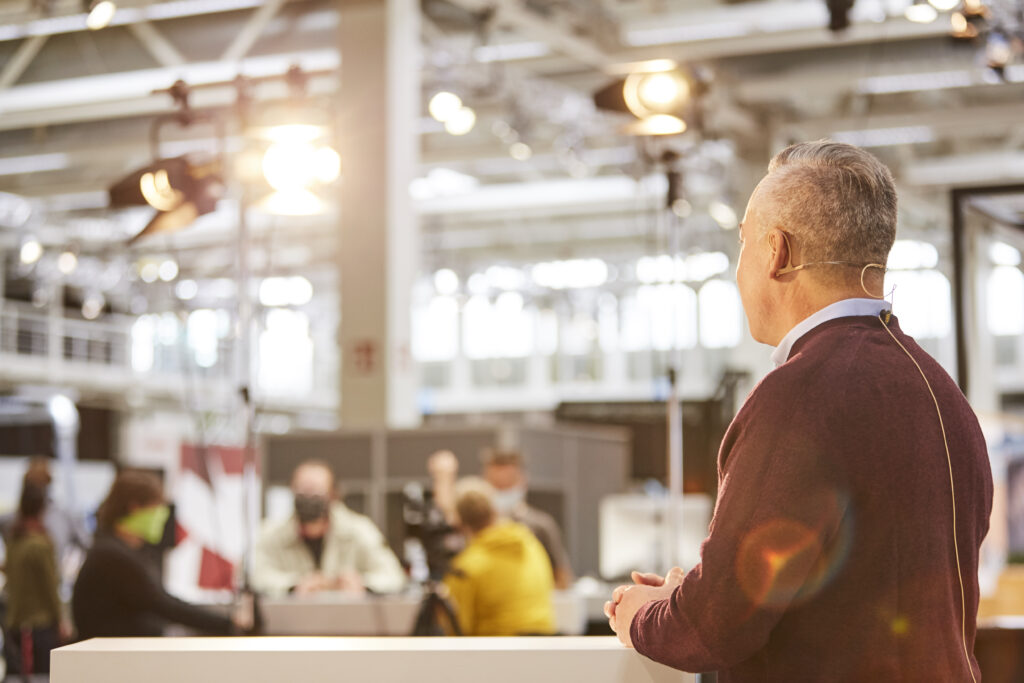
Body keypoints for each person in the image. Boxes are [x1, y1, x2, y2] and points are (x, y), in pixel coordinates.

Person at [605, 140, 993, 681]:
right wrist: (688, 595)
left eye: (742, 244)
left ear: (776, 252)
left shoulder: (800, 395)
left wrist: (642, 614)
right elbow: (856, 583)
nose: (738, 269)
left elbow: (715, 627)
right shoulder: (938, 390)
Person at [72, 469, 249, 638]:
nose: (162, 516)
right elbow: (162, 604)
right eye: (157, 508)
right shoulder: (112, 556)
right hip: (107, 659)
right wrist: (228, 625)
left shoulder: (128, 551)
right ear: (135, 507)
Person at [251, 460, 406, 596]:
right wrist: (294, 585)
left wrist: (362, 584)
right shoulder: (271, 534)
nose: (308, 496)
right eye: (302, 489)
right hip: (291, 625)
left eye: (315, 490)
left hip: (349, 624)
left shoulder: (359, 530)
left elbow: (394, 577)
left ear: (333, 494)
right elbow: (257, 577)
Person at [428, 448, 574, 589]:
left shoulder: (539, 528)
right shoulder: (477, 526)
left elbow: (562, 577)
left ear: (522, 480)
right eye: (495, 484)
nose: (501, 490)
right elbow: (450, 513)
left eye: (507, 484)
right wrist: (443, 478)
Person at [443, 477, 555, 636]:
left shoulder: (466, 567)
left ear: (459, 522)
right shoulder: (531, 544)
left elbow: (456, 628)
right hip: (543, 648)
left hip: (495, 652)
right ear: (495, 510)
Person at [3, 482, 68, 675]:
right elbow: (50, 585)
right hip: (36, 624)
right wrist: (61, 620)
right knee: (39, 676)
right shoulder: (39, 544)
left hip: (17, 620)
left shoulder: (15, 540)